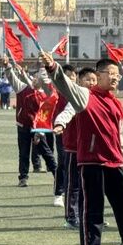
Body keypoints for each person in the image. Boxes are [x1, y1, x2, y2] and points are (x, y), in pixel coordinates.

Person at [42, 52, 123, 245]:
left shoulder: (115, 103)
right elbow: (63, 84)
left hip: (115, 162)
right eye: (111, 74)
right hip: (92, 162)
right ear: (98, 76)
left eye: (118, 74)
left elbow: (120, 136)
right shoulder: (85, 96)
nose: (116, 78)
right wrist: (53, 68)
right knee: (93, 210)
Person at [2, 55, 57, 187]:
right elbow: (11, 78)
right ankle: (23, 178)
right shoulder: (22, 88)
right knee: (24, 152)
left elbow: (45, 116)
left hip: (38, 128)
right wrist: (7, 66)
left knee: (46, 152)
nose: (35, 79)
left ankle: (58, 174)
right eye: (35, 77)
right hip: (23, 126)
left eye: (38, 77)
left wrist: (40, 133)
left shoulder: (46, 96)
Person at [53, 65, 90, 228]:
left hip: (90, 150)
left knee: (88, 186)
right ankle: (71, 217)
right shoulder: (77, 97)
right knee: (73, 185)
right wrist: (60, 123)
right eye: (88, 79)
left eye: (94, 80)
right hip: (73, 147)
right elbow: (67, 112)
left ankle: (87, 216)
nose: (91, 83)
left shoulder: (96, 97)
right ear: (80, 81)